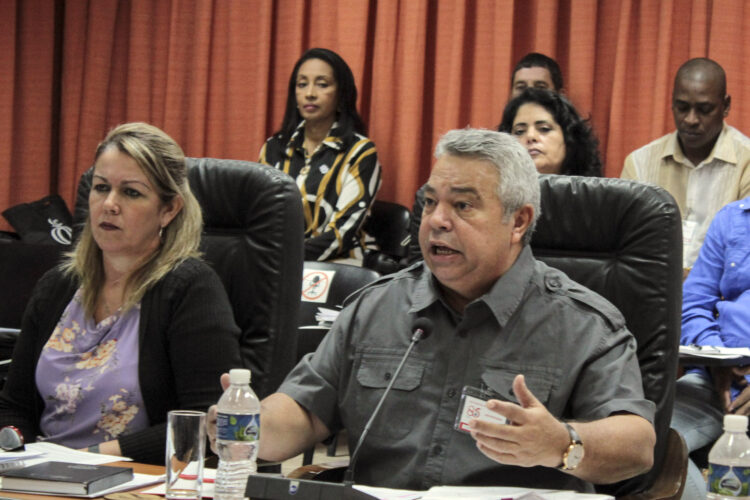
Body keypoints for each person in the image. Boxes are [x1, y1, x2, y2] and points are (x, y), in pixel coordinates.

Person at [209, 128, 655, 491]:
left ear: (518, 221)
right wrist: (249, 423)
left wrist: (563, 443)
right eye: (429, 203)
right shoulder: (376, 306)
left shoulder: (584, 323)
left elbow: (636, 444)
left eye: (462, 205)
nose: (437, 220)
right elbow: (306, 412)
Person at [0, 122, 241, 464]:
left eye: (131, 192)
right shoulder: (58, 286)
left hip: (138, 480)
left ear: (169, 209)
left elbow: (204, 422)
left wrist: (85, 460)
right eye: (101, 188)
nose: (109, 204)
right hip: (43, 474)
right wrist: (16, 448)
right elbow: (13, 405)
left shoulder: (190, 289)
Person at [621, 58, 750, 274]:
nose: (690, 119)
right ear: (671, 103)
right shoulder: (640, 163)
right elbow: (625, 244)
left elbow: (744, 256)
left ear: (725, 106)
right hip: (649, 291)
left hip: (722, 298)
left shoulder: (747, 163)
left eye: (704, 109)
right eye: (682, 107)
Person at [259, 47, 381, 262]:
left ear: (341, 93)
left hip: (339, 265)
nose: (310, 93)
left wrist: (288, 259)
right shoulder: (274, 149)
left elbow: (343, 232)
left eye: (322, 84)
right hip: (276, 264)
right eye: (302, 84)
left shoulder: (360, 152)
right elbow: (260, 217)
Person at [671, 196, 750, 500]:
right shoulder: (733, 218)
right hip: (719, 377)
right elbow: (693, 305)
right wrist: (718, 360)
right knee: (646, 437)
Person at [498, 88, 602, 176]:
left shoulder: (592, 195)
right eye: (519, 131)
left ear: (569, 138)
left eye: (544, 129)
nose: (530, 136)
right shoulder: (495, 196)